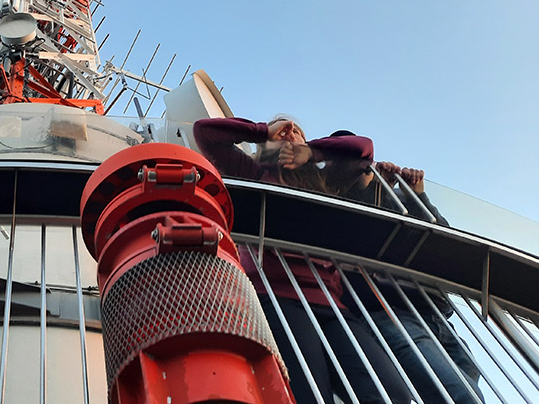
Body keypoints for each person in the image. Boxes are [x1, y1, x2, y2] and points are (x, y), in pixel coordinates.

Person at [193, 115, 410, 404]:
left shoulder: (322, 180)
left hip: (332, 304)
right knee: (309, 394)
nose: (289, 130)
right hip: (277, 297)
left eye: (295, 129)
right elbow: (205, 132)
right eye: (282, 128)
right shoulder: (253, 171)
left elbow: (363, 149)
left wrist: (312, 152)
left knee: (391, 392)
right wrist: (262, 132)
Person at [343, 162, 484, 402]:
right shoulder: (342, 197)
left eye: (365, 163)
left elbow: (442, 238)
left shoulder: (399, 198)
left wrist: (416, 193)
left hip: (436, 316)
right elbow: (360, 232)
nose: (362, 167)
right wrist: (378, 186)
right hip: (391, 313)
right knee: (460, 396)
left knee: (469, 389)